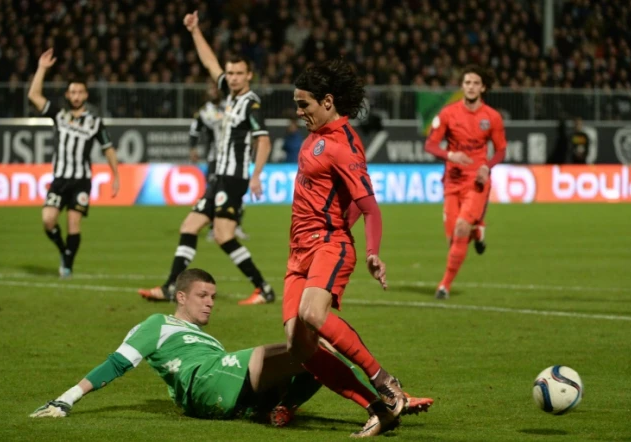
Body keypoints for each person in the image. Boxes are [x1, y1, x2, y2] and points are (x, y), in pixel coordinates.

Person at [31, 268, 431, 435]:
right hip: (204, 382)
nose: (209, 303)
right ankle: (384, 402)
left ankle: (281, 408)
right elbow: (116, 364)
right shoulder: (156, 326)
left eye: (214, 296)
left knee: (313, 353)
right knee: (304, 345)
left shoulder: (206, 339)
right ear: (181, 295)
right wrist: (66, 400)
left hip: (225, 387)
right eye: (202, 296)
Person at [282, 59, 430, 437]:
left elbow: (369, 206)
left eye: (305, 105)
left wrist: (370, 252)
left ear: (328, 101)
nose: (299, 113)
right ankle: (378, 407)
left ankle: (385, 380)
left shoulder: (345, 145)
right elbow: (343, 197)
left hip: (328, 245)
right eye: (297, 105)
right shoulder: (316, 137)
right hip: (298, 251)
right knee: (298, 348)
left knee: (313, 313)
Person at [139, 12, 274, 304]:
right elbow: (209, 63)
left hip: (234, 179)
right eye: (231, 73)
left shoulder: (251, 105)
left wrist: (255, 175)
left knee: (224, 235)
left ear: (249, 75)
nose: (233, 77)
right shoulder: (231, 96)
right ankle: (170, 288)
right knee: (189, 227)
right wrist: (195, 31)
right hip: (218, 178)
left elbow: (264, 140)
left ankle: (262, 287)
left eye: (239, 73)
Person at [27, 48, 120, 279]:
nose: (76, 95)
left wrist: (116, 176)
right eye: (72, 92)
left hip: (81, 181)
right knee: (48, 220)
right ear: (68, 96)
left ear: (86, 95)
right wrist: (42, 68)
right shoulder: (59, 115)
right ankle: (64, 252)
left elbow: (108, 149)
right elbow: (34, 96)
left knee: (73, 224)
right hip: (59, 179)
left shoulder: (95, 123)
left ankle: (67, 265)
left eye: (80, 92)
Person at [424, 65, 507, 299]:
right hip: (452, 181)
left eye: (475, 83)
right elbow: (430, 145)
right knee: (454, 238)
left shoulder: (492, 117)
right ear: (462, 86)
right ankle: (477, 232)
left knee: (461, 227)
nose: (471, 87)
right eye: (467, 82)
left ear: (483, 87)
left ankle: (444, 286)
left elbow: (501, 151)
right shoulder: (448, 114)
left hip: (476, 181)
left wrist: (486, 167)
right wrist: (450, 155)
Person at [189, 81, 249, 242]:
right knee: (214, 193)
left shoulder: (230, 106)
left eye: (215, 88)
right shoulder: (204, 112)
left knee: (236, 193)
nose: (213, 91)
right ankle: (212, 228)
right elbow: (194, 131)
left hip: (234, 157)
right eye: (211, 88)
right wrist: (193, 148)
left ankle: (235, 226)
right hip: (215, 158)